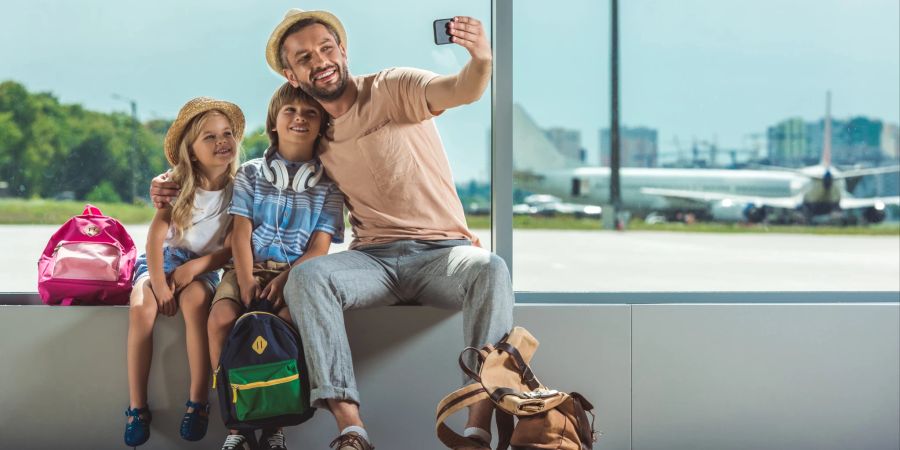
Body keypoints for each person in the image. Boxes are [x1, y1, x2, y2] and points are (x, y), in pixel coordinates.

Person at [152, 9, 512, 450]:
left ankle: (476, 428)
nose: (319, 60)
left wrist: (481, 58)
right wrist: (170, 181)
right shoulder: (312, 135)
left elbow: (463, 89)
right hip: (373, 259)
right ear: (292, 73)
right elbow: (235, 173)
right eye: (304, 57)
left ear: (343, 50)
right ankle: (351, 430)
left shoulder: (393, 87)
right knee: (307, 276)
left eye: (326, 48)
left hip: (442, 253)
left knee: (491, 268)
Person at [207, 83, 345, 450]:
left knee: (283, 329)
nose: (300, 118)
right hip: (245, 268)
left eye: (310, 113)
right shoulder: (251, 174)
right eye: (290, 111)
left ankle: (275, 422)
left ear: (321, 126)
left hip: (295, 275)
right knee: (221, 320)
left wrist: (286, 278)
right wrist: (248, 276)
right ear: (274, 123)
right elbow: (239, 233)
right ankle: (236, 420)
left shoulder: (330, 186)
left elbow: (319, 247)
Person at [125, 97, 244, 448]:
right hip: (162, 259)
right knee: (141, 308)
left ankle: (197, 402)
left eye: (227, 134)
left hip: (205, 265)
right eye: (209, 137)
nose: (221, 141)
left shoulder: (241, 188)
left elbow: (233, 247)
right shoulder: (177, 183)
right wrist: (160, 284)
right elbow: (155, 237)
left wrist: (196, 268)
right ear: (191, 151)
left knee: (195, 304)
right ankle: (136, 406)